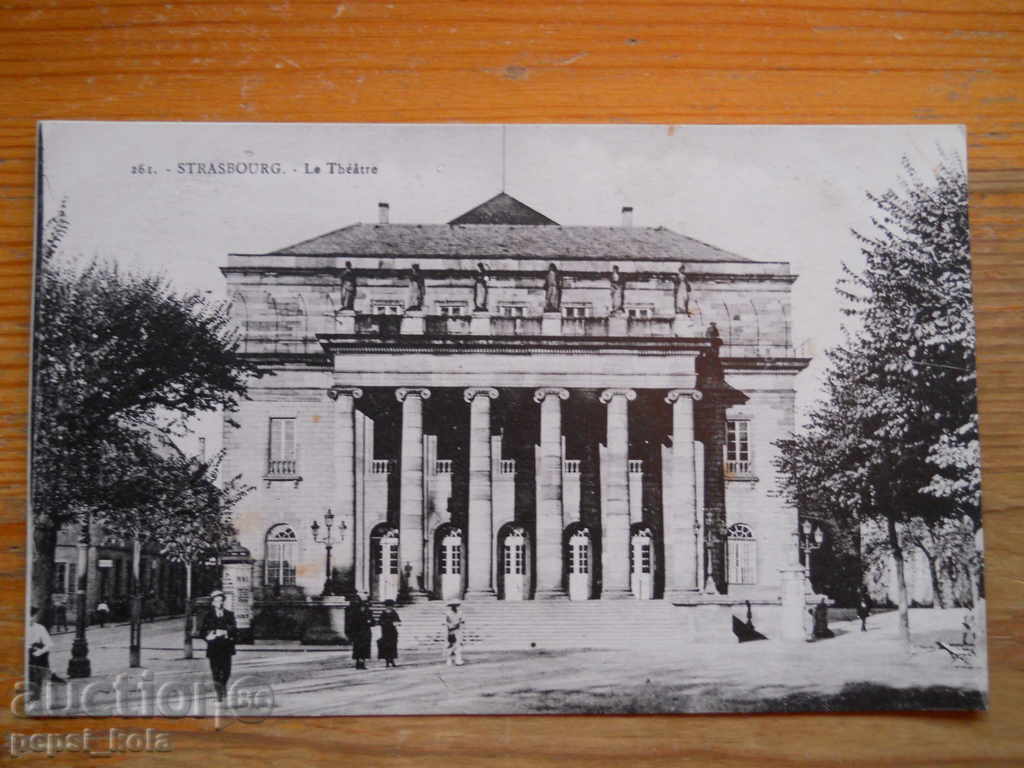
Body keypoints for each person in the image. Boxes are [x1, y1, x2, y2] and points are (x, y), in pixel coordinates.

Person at [200, 590, 237, 702]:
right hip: (214, 648)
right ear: (213, 603)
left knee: (226, 671)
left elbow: (235, 630)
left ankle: (223, 685)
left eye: (221, 601)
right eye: (216, 601)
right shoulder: (208, 616)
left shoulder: (229, 614)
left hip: (226, 647)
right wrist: (209, 635)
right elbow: (202, 632)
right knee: (215, 671)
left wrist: (226, 632)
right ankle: (219, 693)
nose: (219, 603)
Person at [26, 606, 53, 701]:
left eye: (35, 616)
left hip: (36, 656)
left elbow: (49, 644)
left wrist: (40, 651)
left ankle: (34, 695)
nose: (35, 618)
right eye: (33, 616)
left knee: (36, 676)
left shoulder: (40, 628)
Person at [345, 593, 373, 669]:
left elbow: (372, 621)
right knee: (357, 647)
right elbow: (350, 622)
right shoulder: (353, 611)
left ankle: (362, 662)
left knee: (364, 647)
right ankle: (358, 662)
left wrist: (370, 621)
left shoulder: (368, 610)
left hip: (365, 631)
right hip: (357, 631)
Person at [377, 599, 401, 668]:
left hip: (393, 632)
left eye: (390, 606)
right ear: (386, 606)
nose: (389, 607)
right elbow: (380, 621)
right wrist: (384, 623)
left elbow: (398, 620)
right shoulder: (383, 613)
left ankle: (392, 660)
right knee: (386, 646)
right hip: (385, 632)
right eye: (388, 606)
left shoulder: (394, 612)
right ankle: (387, 661)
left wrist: (397, 623)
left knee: (393, 646)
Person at [443, 600, 465, 666]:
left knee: (458, 645)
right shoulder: (448, 613)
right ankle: (449, 660)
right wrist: (451, 627)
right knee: (450, 645)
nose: (454, 607)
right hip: (450, 630)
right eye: (452, 606)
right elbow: (447, 621)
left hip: (458, 631)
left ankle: (458, 660)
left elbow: (463, 620)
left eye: (455, 605)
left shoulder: (460, 612)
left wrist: (459, 623)